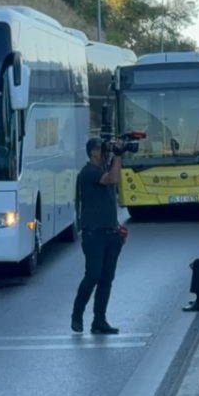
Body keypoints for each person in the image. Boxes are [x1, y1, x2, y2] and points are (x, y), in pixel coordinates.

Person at [73, 137, 125, 334]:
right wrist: (118, 155)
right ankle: (77, 315)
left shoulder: (103, 169)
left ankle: (99, 320)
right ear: (93, 152)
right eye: (102, 149)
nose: (105, 152)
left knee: (106, 279)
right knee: (93, 275)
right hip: (94, 234)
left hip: (111, 233)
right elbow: (112, 179)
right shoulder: (88, 172)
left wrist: (118, 228)